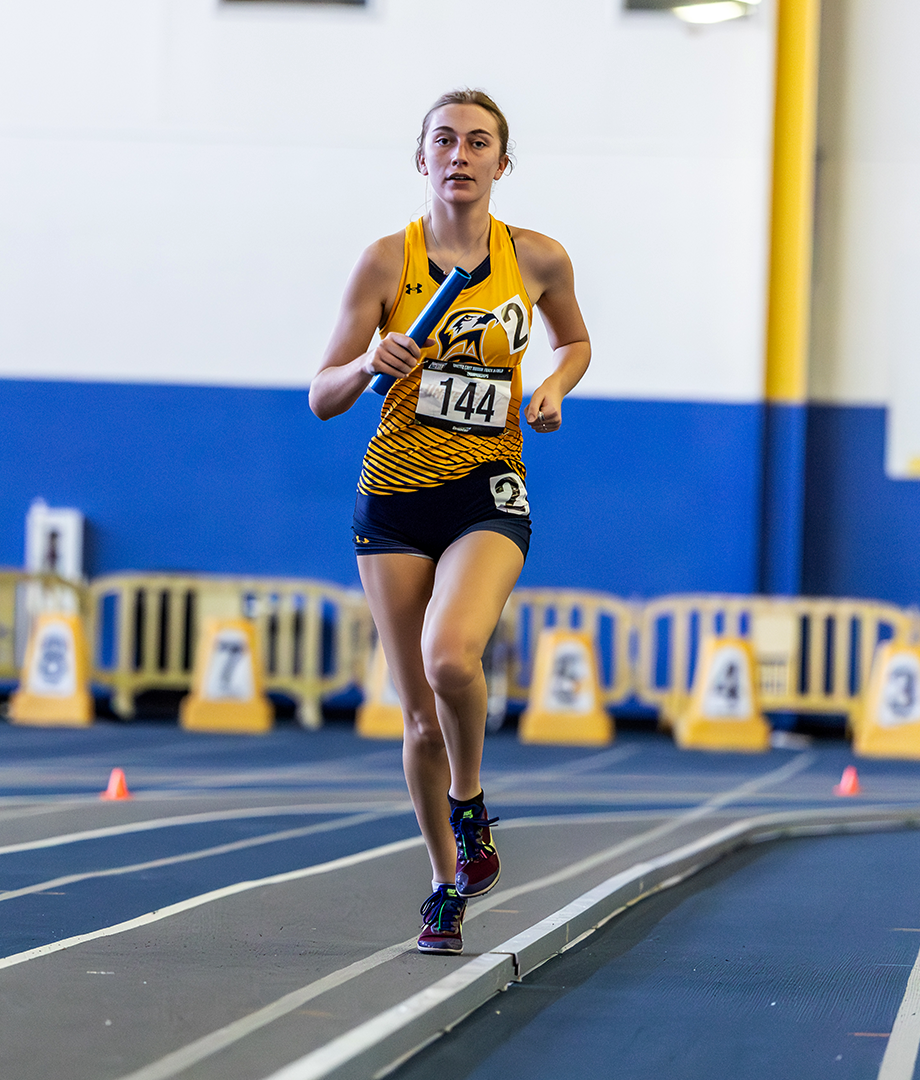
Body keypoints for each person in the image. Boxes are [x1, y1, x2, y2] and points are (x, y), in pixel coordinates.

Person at [309, 90, 591, 955]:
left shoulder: (536, 258)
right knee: (420, 716)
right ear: (421, 159)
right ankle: (444, 882)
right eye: (444, 140)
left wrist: (549, 386)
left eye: (479, 143)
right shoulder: (386, 262)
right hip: (394, 498)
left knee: (448, 656)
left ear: (502, 164)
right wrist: (367, 362)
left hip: (487, 489)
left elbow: (574, 343)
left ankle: (469, 805)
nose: (460, 155)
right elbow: (320, 398)